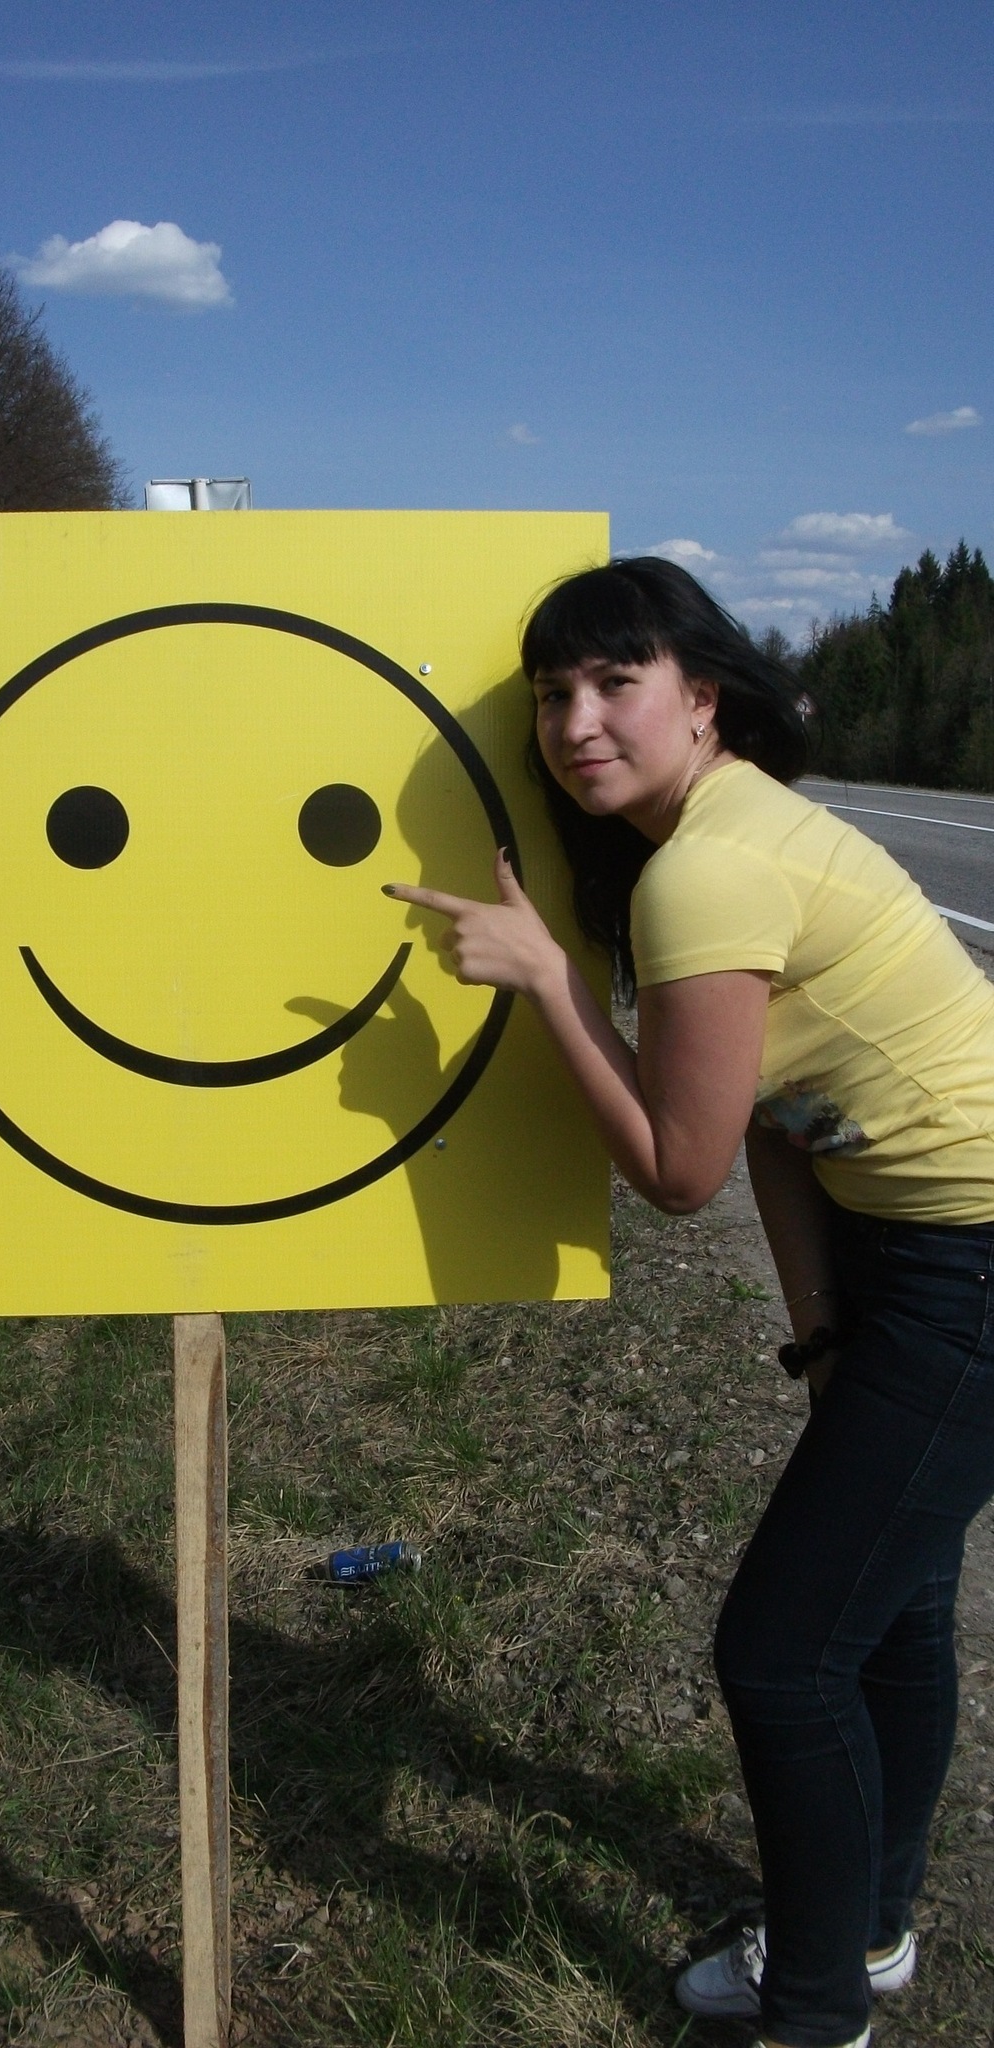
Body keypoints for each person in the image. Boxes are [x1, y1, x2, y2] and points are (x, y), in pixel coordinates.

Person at [384, 556, 994, 2048]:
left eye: (617, 683)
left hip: (972, 1256)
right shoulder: (723, 834)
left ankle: (815, 2011)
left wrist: (550, 985)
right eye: (552, 696)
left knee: (782, 1655)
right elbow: (778, 1129)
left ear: (702, 698)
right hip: (916, 1251)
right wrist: (823, 1333)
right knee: (893, 1611)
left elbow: (677, 1168)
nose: (577, 724)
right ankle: (870, 1934)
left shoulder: (704, 871)